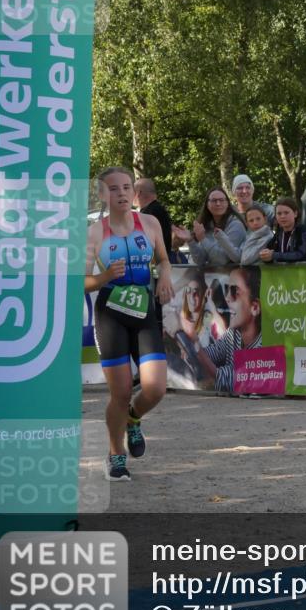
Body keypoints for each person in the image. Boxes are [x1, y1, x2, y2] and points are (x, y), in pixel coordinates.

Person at [84, 166, 175, 481]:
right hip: (111, 315)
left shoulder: (149, 223)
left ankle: (134, 419)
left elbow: (164, 259)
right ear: (102, 195)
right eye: (114, 188)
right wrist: (106, 276)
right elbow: (81, 281)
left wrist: (164, 276)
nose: (122, 193)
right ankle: (115, 455)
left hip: (144, 312)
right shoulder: (95, 233)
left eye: (126, 187)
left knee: (156, 388)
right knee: (121, 392)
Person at [181, 266, 262, 393]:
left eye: (234, 291)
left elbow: (222, 379)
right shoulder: (234, 333)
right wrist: (190, 352)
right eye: (227, 289)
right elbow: (214, 352)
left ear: (255, 307)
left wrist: (194, 342)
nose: (227, 298)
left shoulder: (263, 347)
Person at [188, 187, 247, 267]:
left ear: (227, 203)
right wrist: (190, 241)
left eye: (221, 200)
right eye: (214, 200)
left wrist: (203, 239)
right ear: (207, 205)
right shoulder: (206, 225)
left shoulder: (236, 225)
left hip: (234, 273)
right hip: (212, 273)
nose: (218, 203)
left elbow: (222, 260)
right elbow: (200, 260)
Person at [261, 196, 306, 263]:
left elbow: (301, 255)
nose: (282, 216)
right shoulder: (278, 233)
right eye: (279, 213)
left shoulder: (303, 231)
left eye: (286, 213)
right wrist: (266, 256)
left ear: (295, 214)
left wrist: (274, 255)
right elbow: (270, 253)